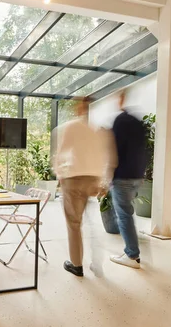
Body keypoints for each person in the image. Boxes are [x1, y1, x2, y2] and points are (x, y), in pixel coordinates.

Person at [53, 98, 115, 277]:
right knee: (90, 221)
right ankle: (97, 262)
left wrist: (59, 174)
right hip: (92, 180)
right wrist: (101, 181)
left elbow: (62, 152)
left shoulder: (72, 126)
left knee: (74, 223)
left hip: (74, 179)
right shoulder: (99, 131)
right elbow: (106, 158)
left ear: (78, 108)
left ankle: (76, 264)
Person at [106, 90, 148, 269]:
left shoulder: (119, 121)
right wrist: (142, 173)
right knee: (127, 213)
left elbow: (113, 150)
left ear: (120, 100)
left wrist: (108, 174)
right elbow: (144, 150)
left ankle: (132, 255)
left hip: (122, 175)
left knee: (124, 215)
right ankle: (131, 251)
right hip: (136, 175)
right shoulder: (138, 122)